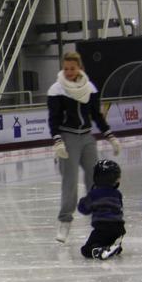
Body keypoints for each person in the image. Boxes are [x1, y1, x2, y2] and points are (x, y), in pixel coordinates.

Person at [48, 51, 120, 243]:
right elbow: (53, 118)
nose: (69, 72)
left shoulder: (89, 88)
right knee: (69, 182)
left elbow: (96, 115)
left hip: (87, 137)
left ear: (80, 68)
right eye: (66, 69)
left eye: (72, 68)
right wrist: (57, 140)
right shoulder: (57, 89)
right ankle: (65, 221)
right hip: (68, 137)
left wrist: (110, 135)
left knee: (95, 179)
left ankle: (98, 219)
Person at [77, 159, 125, 260]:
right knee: (107, 240)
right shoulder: (117, 194)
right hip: (119, 230)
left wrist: (85, 199)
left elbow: (83, 208)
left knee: (86, 250)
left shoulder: (94, 194)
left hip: (103, 229)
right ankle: (113, 247)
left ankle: (99, 250)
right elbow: (119, 207)